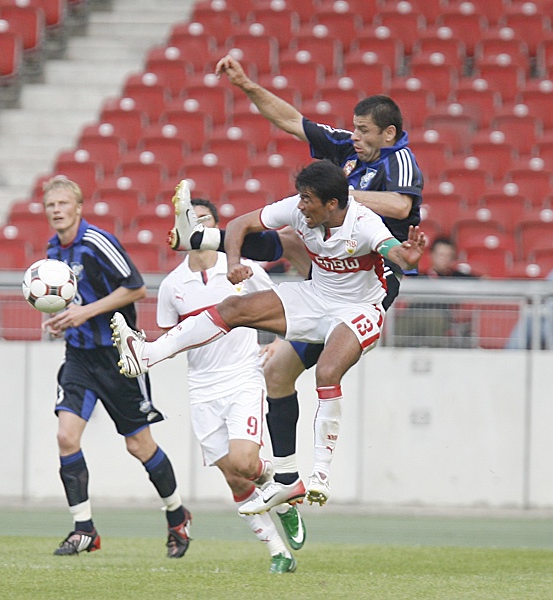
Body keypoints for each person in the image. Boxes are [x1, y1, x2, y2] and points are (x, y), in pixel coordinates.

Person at [168, 55, 424, 512]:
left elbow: (402, 207)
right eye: (354, 128)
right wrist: (246, 84)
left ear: (387, 133)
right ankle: (287, 480)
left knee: (292, 237)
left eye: (364, 130)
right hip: (327, 279)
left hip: (368, 282)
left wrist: (340, 195)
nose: (355, 136)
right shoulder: (347, 149)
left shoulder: (399, 160)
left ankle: (204, 237)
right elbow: (291, 120)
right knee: (277, 373)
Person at [113, 162, 426, 514]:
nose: (301, 206)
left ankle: (320, 474)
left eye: (308, 200)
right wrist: (233, 262)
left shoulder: (364, 223)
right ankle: (148, 354)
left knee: (327, 372)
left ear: (332, 204)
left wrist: (407, 256)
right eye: (301, 198)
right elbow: (239, 224)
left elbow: (393, 251)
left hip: (359, 309)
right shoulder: (299, 209)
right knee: (233, 308)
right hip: (315, 297)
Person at [40, 175, 192, 558]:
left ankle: (177, 516)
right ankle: (84, 529)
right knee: (66, 437)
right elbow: (71, 302)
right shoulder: (52, 251)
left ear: (78, 207)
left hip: (119, 356)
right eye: (51, 205)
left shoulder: (96, 242)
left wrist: (85, 313)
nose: (57, 210)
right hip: (79, 357)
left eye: (63, 203)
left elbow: (136, 287)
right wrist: (59, 319)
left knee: (138, 445)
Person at [157, 196, 304, 574]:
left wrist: (280, 342)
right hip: (201, 388)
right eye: (191, 219)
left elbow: (283, 305)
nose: (198, 225)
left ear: (215, 228)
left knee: (244, 462)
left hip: (242, 377)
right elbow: (172, 338)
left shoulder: (241, 268)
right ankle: (278, 552)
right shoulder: (172, 286)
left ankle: (283, 489)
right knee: (234, 477)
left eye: (204, 219)